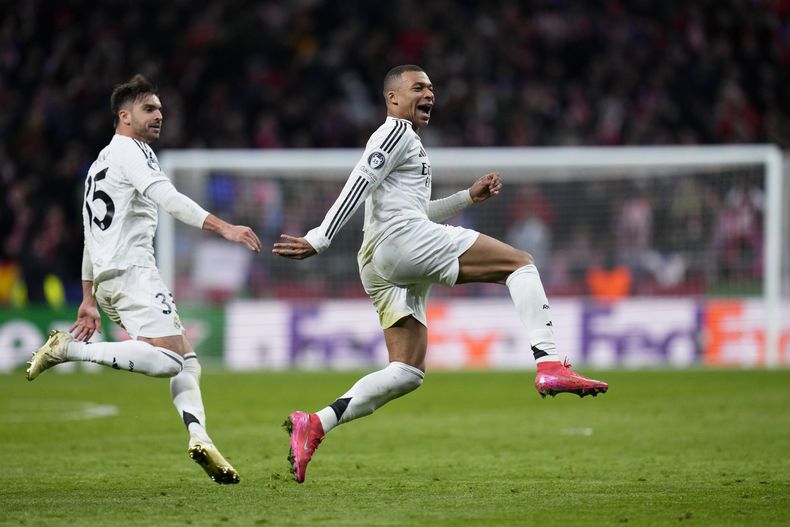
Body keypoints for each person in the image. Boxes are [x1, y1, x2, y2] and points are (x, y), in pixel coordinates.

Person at [273, 64, 608, 484]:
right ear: (393, 98)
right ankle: (550, 364)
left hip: (379, 258)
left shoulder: (406, 144)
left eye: (431, 87)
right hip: (400, 242)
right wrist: (320, 238)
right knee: (520, 264)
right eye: (418, 87)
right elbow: (358, 182)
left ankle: (316, 423)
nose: (429, 93)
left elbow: (418, 212)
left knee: (407, 371)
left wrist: (468, 197)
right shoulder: (395, 132)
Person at [25, 74, 262, 484]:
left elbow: (90, 236)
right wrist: (224, 227)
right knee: (170, 362)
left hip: (112, 277)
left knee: (187, 360)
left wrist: (88, 298)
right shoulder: (132, 152)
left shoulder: (99, 163)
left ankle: (200, 437)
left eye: (161, 111)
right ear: (124, 115)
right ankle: (70, 351)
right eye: (149, 109)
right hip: (133, 272)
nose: (158, 117)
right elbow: (167, 198)